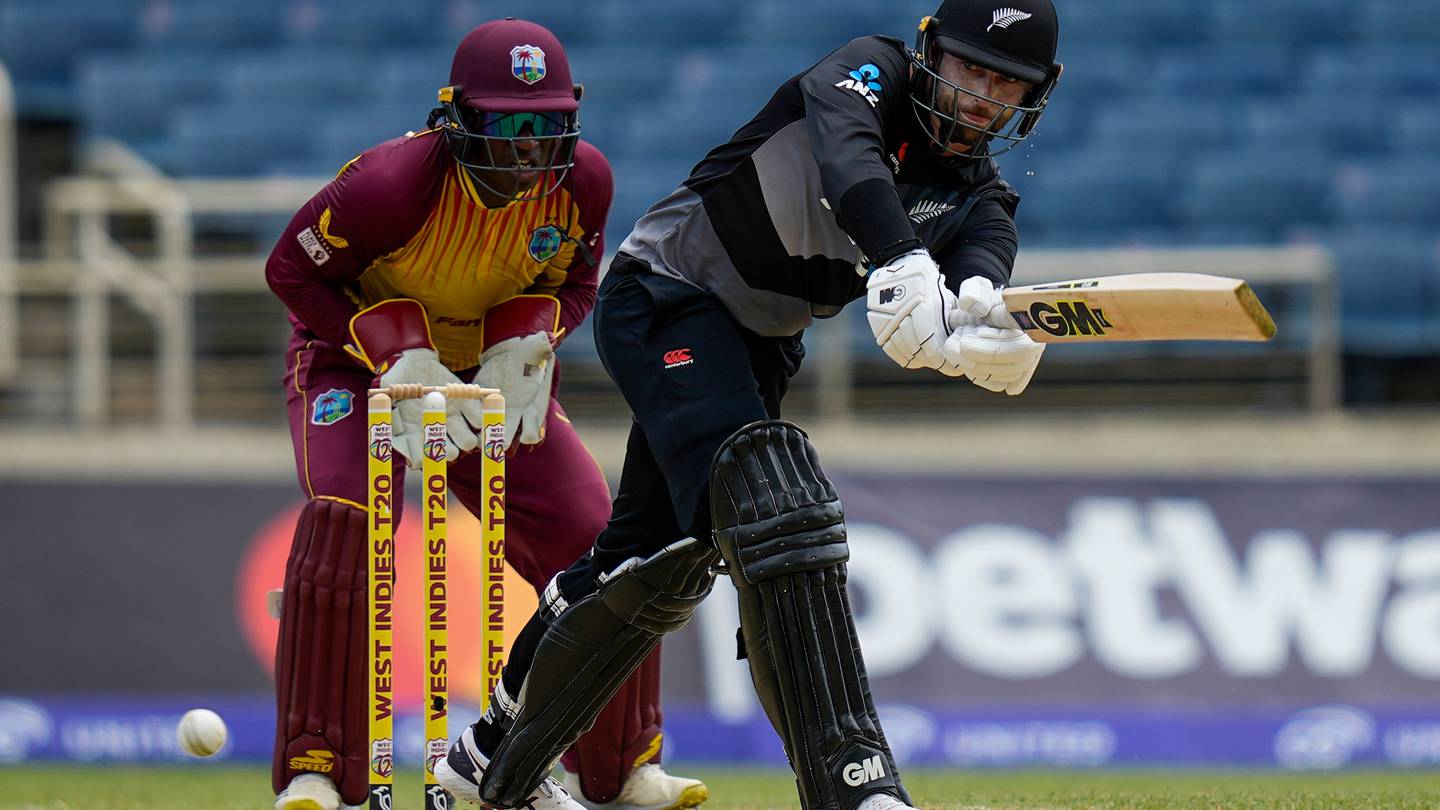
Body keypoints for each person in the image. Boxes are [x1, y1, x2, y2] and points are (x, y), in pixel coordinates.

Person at [435, 0, 1063, 808]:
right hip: (672, 292)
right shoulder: (866, 70)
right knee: (776, 513)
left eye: (1005, 83)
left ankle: (483, 762)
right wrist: (904, 258)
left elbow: (988, 234)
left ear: (1033, 96)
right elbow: (850, 164)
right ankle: (855, 783)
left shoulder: (976, 191)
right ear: (930, 51)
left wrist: (983, 303)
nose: (982, 96)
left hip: (759, 342)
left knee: (644, 563)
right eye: (972, 67)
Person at [263, 18, 708, 810]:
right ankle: (317, 771)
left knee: (600, 535)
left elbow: (577, 284)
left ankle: (619, 769)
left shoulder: (585, 184)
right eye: (506, 125)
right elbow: (291, 273)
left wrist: (534, 340)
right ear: (457, 119)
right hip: (358, 358)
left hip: (485, 369)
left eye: (547, 126)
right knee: (345, 519)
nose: (527, 148)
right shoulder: (390, 187)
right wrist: (390, 350)